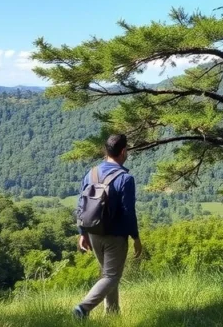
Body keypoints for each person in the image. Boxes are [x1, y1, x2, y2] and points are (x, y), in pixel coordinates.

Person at [73, 134, 142, 319]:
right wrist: (136, 237)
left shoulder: (91, 173)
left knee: (108, 275)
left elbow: (81, 205)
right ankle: (83, 308)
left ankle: (112, 315)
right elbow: (128, 212)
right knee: (111, 277)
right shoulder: (125, 178)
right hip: (115, 236)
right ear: (123, 151)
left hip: (94, 233)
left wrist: (82, 233)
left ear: (106, 151)